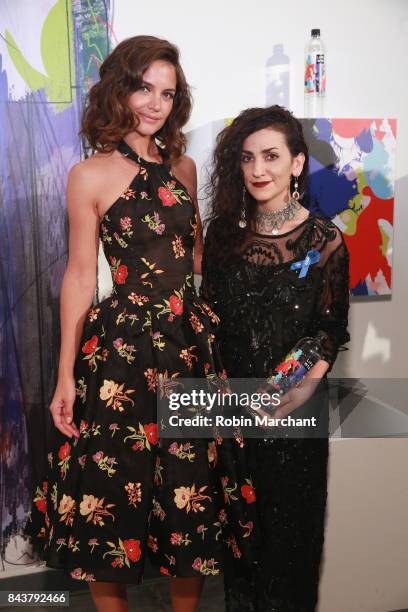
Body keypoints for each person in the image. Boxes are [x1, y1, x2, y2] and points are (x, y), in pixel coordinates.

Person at [23, 35, 240, 612]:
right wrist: (65, 375)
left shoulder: (184, 168)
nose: (156, 103)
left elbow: (191, 260)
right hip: (119, 350)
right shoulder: (88, 175)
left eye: (167, 93)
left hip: (188, 343)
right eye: (145, 87)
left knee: (189, 487)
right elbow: (75, 277)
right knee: (109, 488)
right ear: (120, 87)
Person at [201, 105, 350, 611]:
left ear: (297, 164)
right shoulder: (221, 235)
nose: (258, 170)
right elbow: (209, 324)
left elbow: (328, 331)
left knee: (292, 550)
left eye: (271, 156)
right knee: (240, 554)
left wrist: (298, 387)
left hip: (296, 424)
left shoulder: (326, 240)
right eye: (247, 158)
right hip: (233, 421)